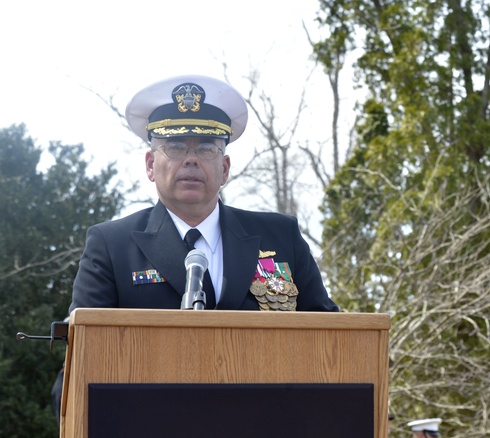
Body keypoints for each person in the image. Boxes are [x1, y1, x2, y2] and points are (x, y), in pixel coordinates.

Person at [70, 74, 338, 313]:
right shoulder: (111, 246)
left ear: (224, 168)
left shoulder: (281, 237)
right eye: (175, 147)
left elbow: (328, 337)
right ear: (151, 165)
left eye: (207, 148)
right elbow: (85, 348)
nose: (191, 160)